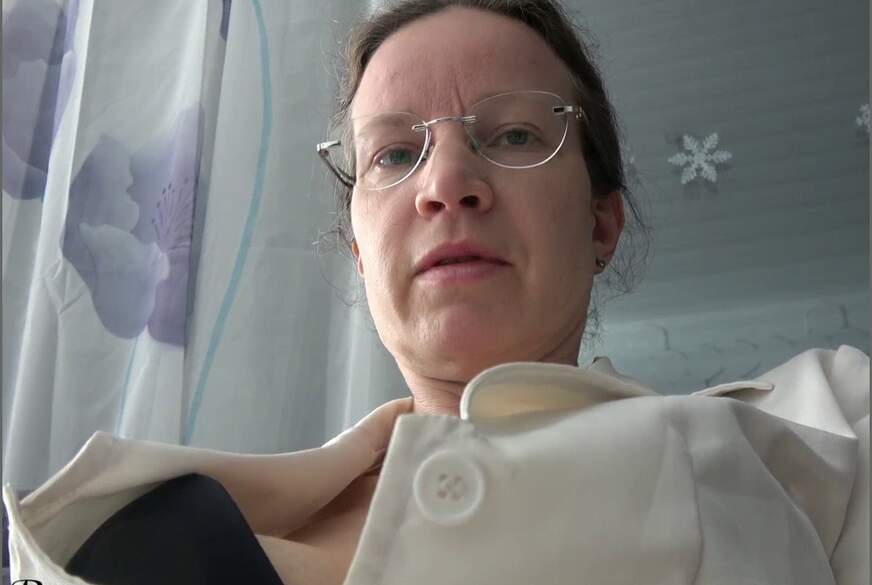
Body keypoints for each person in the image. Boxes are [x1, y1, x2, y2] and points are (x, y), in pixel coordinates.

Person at [4, 1, 868, 584]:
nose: (446, 183)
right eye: (393, 153)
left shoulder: (821, 425)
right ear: (359, 248)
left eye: (516, 133)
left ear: (601, 222)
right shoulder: (147, 516)